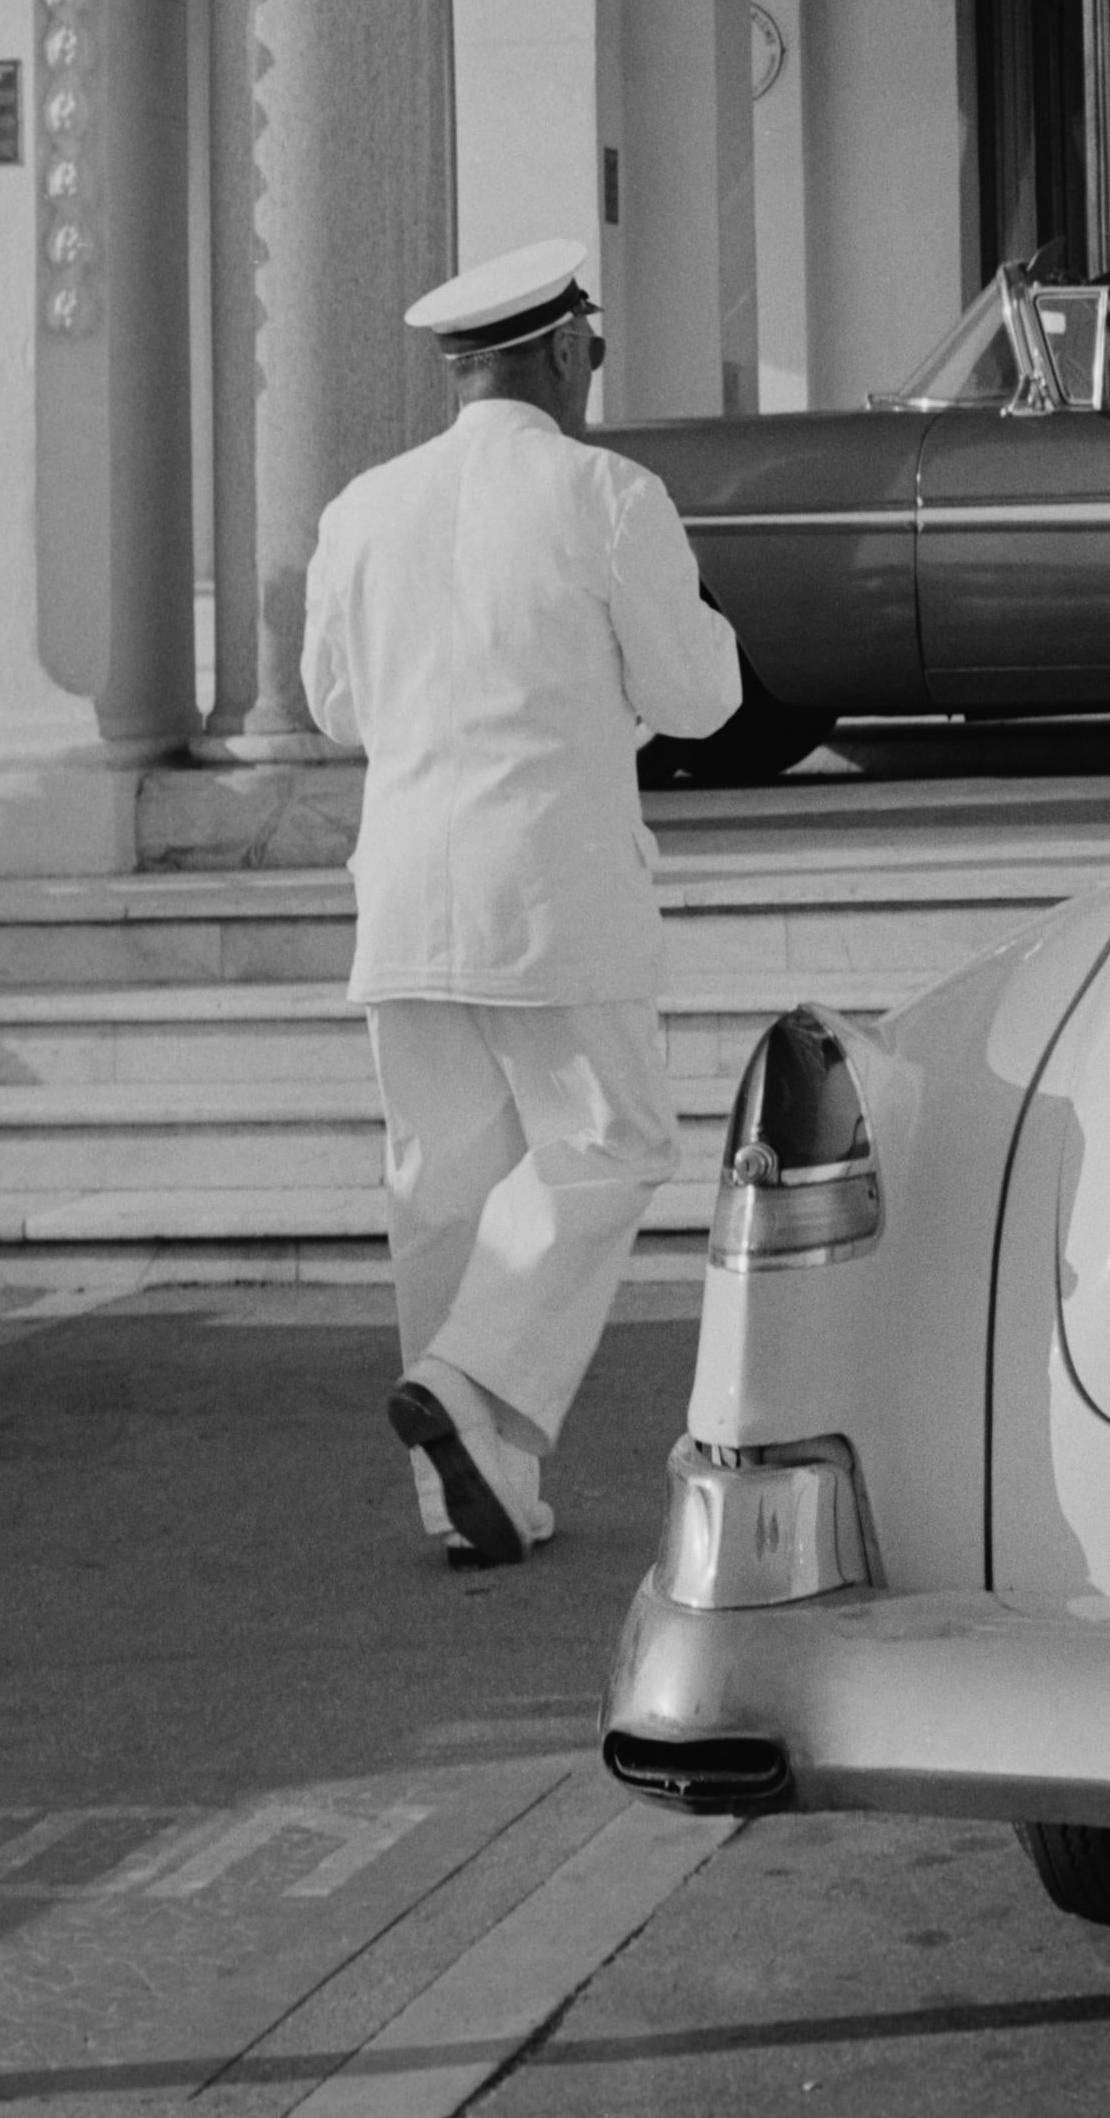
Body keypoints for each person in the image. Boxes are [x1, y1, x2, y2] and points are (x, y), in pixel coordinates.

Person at [301, 237, 739, 1568]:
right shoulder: (606, 490)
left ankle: (477, 1489)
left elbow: (332, 705)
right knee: (609, 1145)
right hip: (550, 887)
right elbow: (699, 697)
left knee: (445, 1188)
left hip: (403, 890)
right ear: (559, 349)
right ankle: (470, 1375)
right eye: (589, 345)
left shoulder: (363, 505)